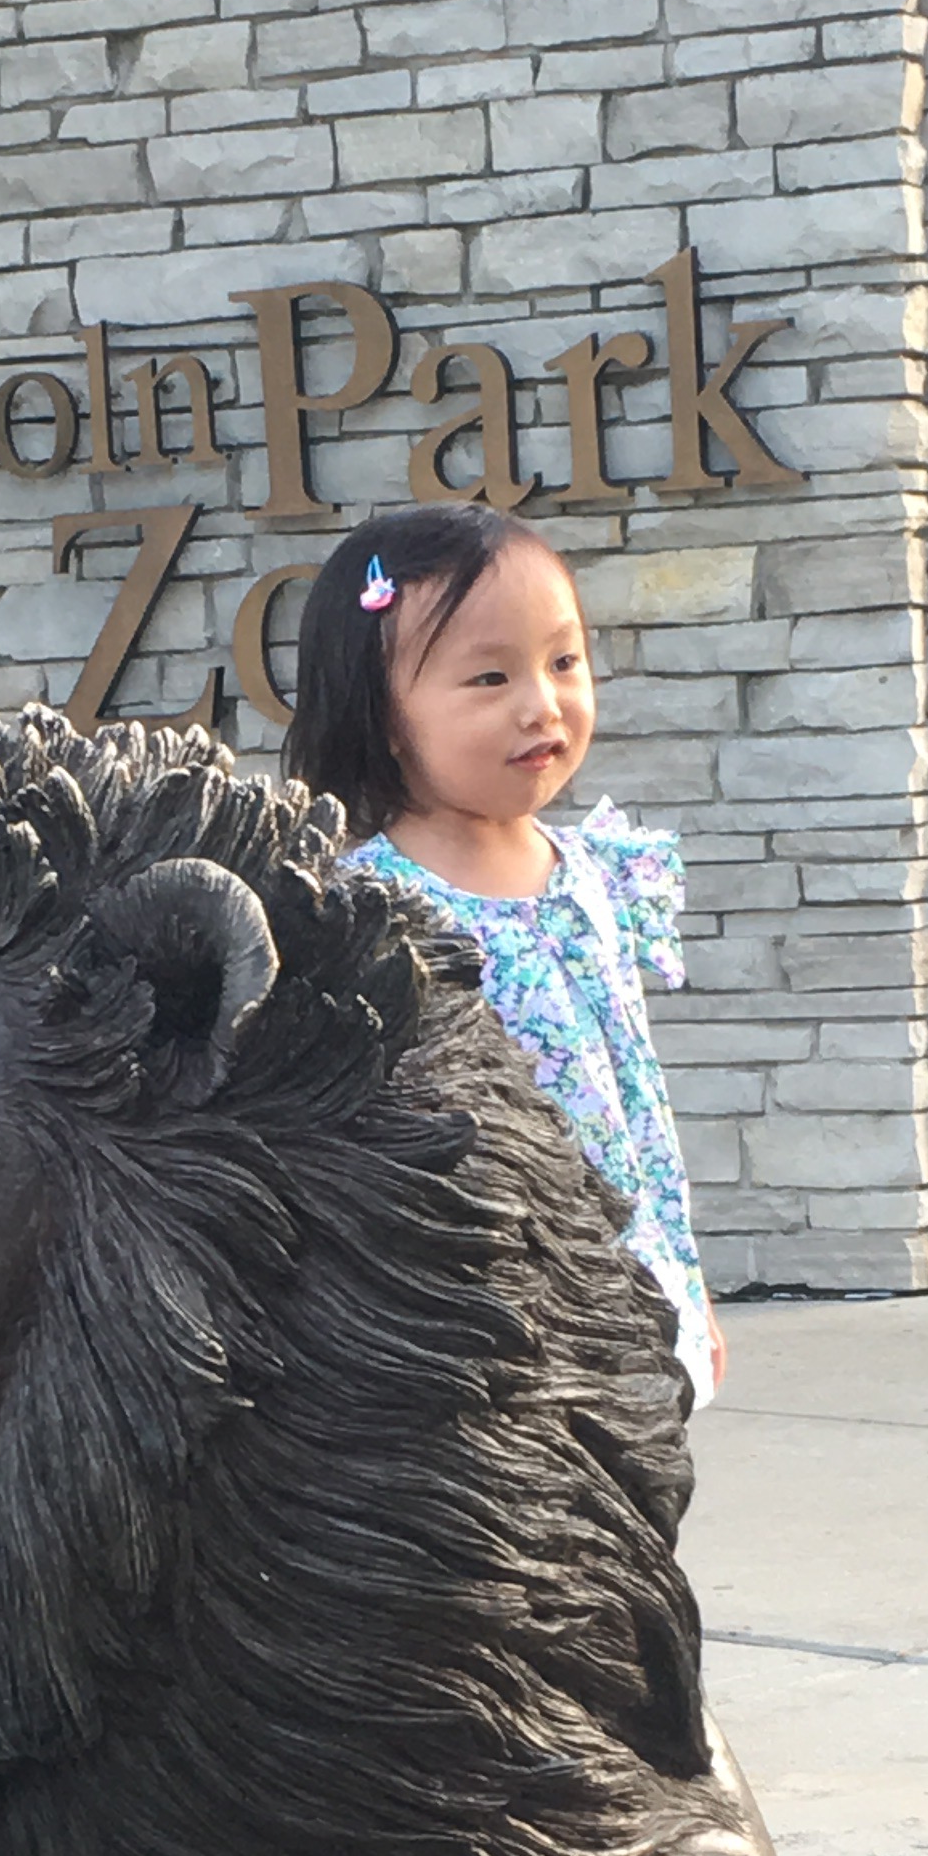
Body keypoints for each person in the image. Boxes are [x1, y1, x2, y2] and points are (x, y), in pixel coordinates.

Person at [283, 504, 725, 1407]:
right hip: (487, 1317)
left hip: (634, 1288)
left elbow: (636, 1108)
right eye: (490, 677)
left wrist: (688, 1282)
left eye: (563, 661)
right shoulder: (367, 907)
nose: (542, 704)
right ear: (382, 714)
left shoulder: (594, 872)